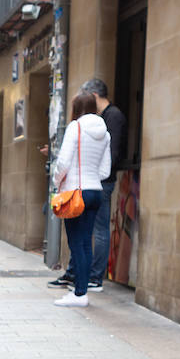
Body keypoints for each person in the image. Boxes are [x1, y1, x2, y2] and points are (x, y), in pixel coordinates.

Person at [50, 79, 126, 292]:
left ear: (77, 109)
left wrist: (57, 181)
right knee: (86, 242)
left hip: (76, 191)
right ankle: (85, 287)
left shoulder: (75, 127)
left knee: (76, 243)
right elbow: (105, 170)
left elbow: (63, 162)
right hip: (96, 191)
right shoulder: (105, 133)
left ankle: (79, 292)